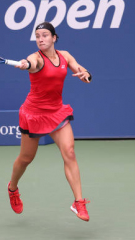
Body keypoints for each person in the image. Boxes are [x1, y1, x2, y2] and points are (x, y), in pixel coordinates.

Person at [8, 21, 92, 222]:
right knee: (26, 158)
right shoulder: (35, 58)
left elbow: (83, 71)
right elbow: (32, 64)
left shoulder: (66, 55)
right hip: (34, 114)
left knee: (69, 152)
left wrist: (85, 74)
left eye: (45, 35)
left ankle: (78, 202)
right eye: (37, 36)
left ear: (54, 38)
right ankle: (12, 188)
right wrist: (26, 65)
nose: (41, 39)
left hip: (56, 112)